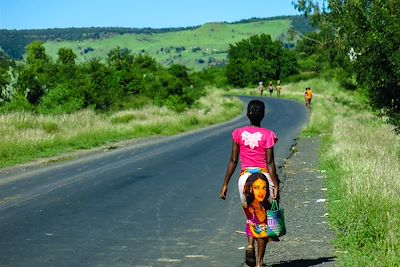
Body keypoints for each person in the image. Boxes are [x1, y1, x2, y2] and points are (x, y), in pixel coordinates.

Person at [219, 100, 280, 267]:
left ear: (247, 115)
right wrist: (276, 184)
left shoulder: (238, 133)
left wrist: (225, 184)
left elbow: (233, 160)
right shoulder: (268, 135)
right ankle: (259, 263)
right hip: (262, 180)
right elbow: (270, 163)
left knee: (251, 215)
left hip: (244, 180)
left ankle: (249, 244)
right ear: (263, 115)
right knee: (262, 221)